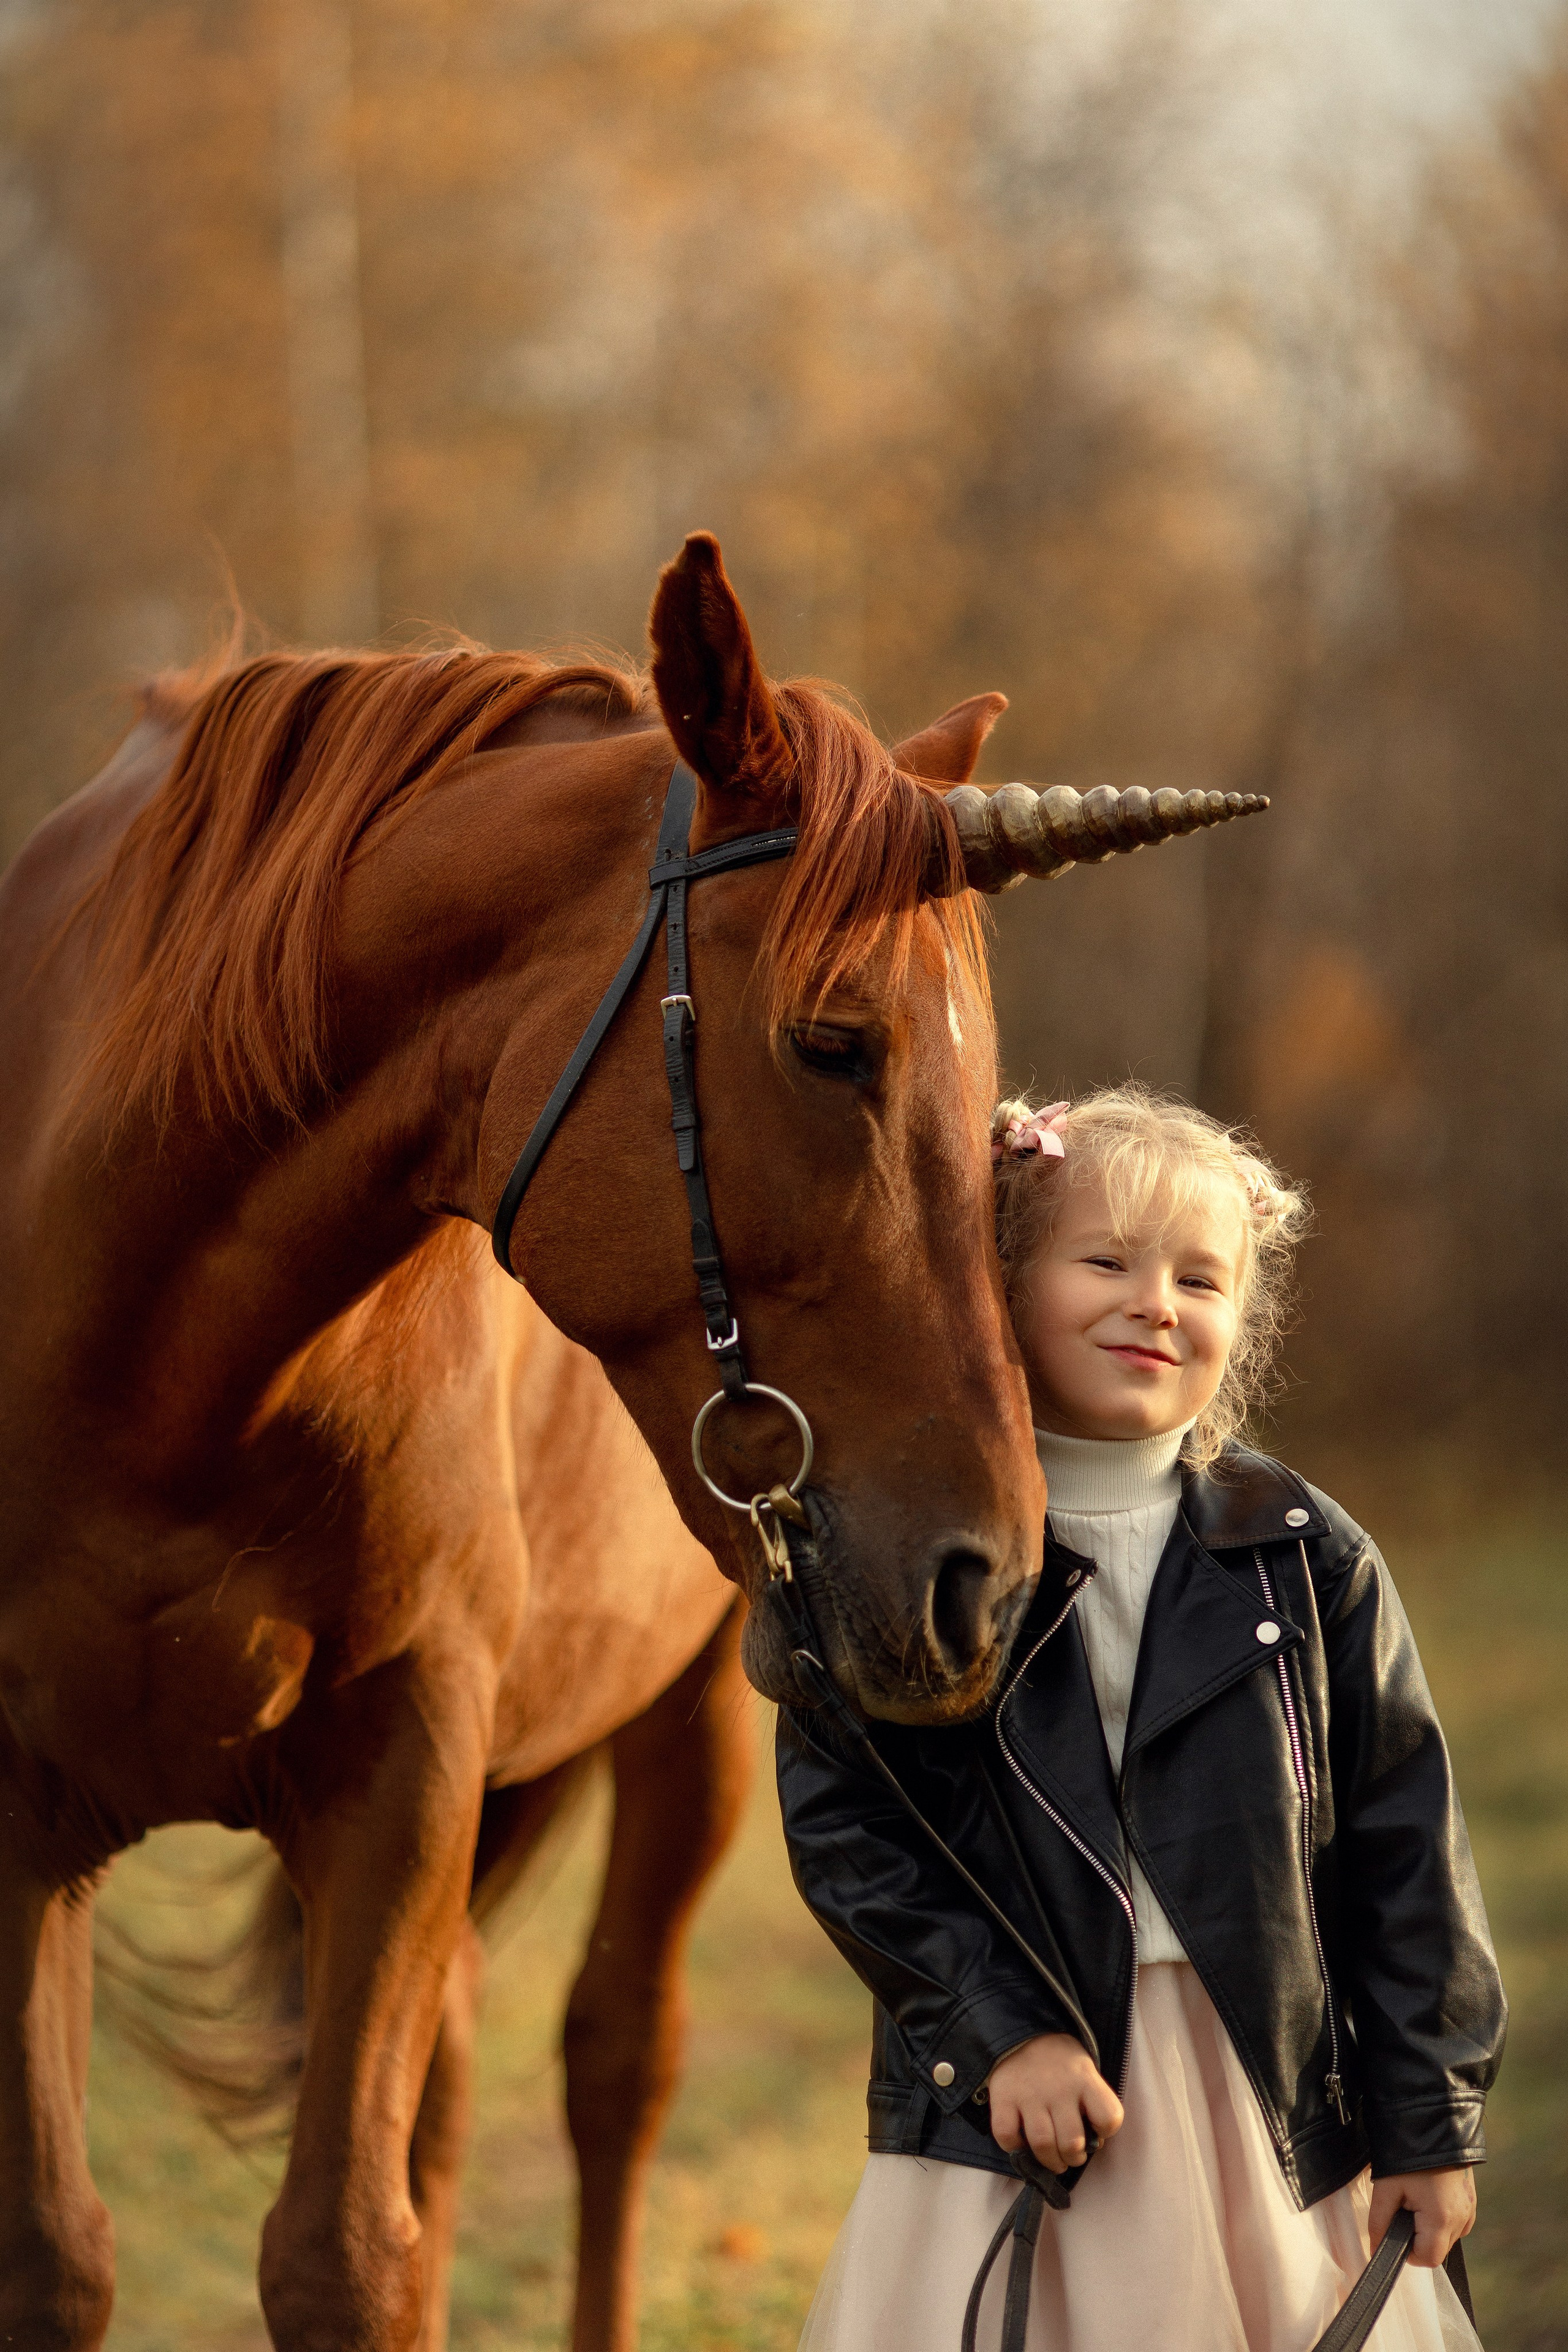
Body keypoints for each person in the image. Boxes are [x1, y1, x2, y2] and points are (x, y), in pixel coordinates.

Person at [780, 1085, 1506, 2352]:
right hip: (1019, 2106)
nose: (1155, 1302)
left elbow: (1408, 1851)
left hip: (1269, 2101)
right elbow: (851, 1830)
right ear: (995, 1283)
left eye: (1200, 1280)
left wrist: (1427, 2126)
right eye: (1104, 1260)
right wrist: (1001, 2037)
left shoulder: (1299, 1551)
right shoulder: (915, 1554)